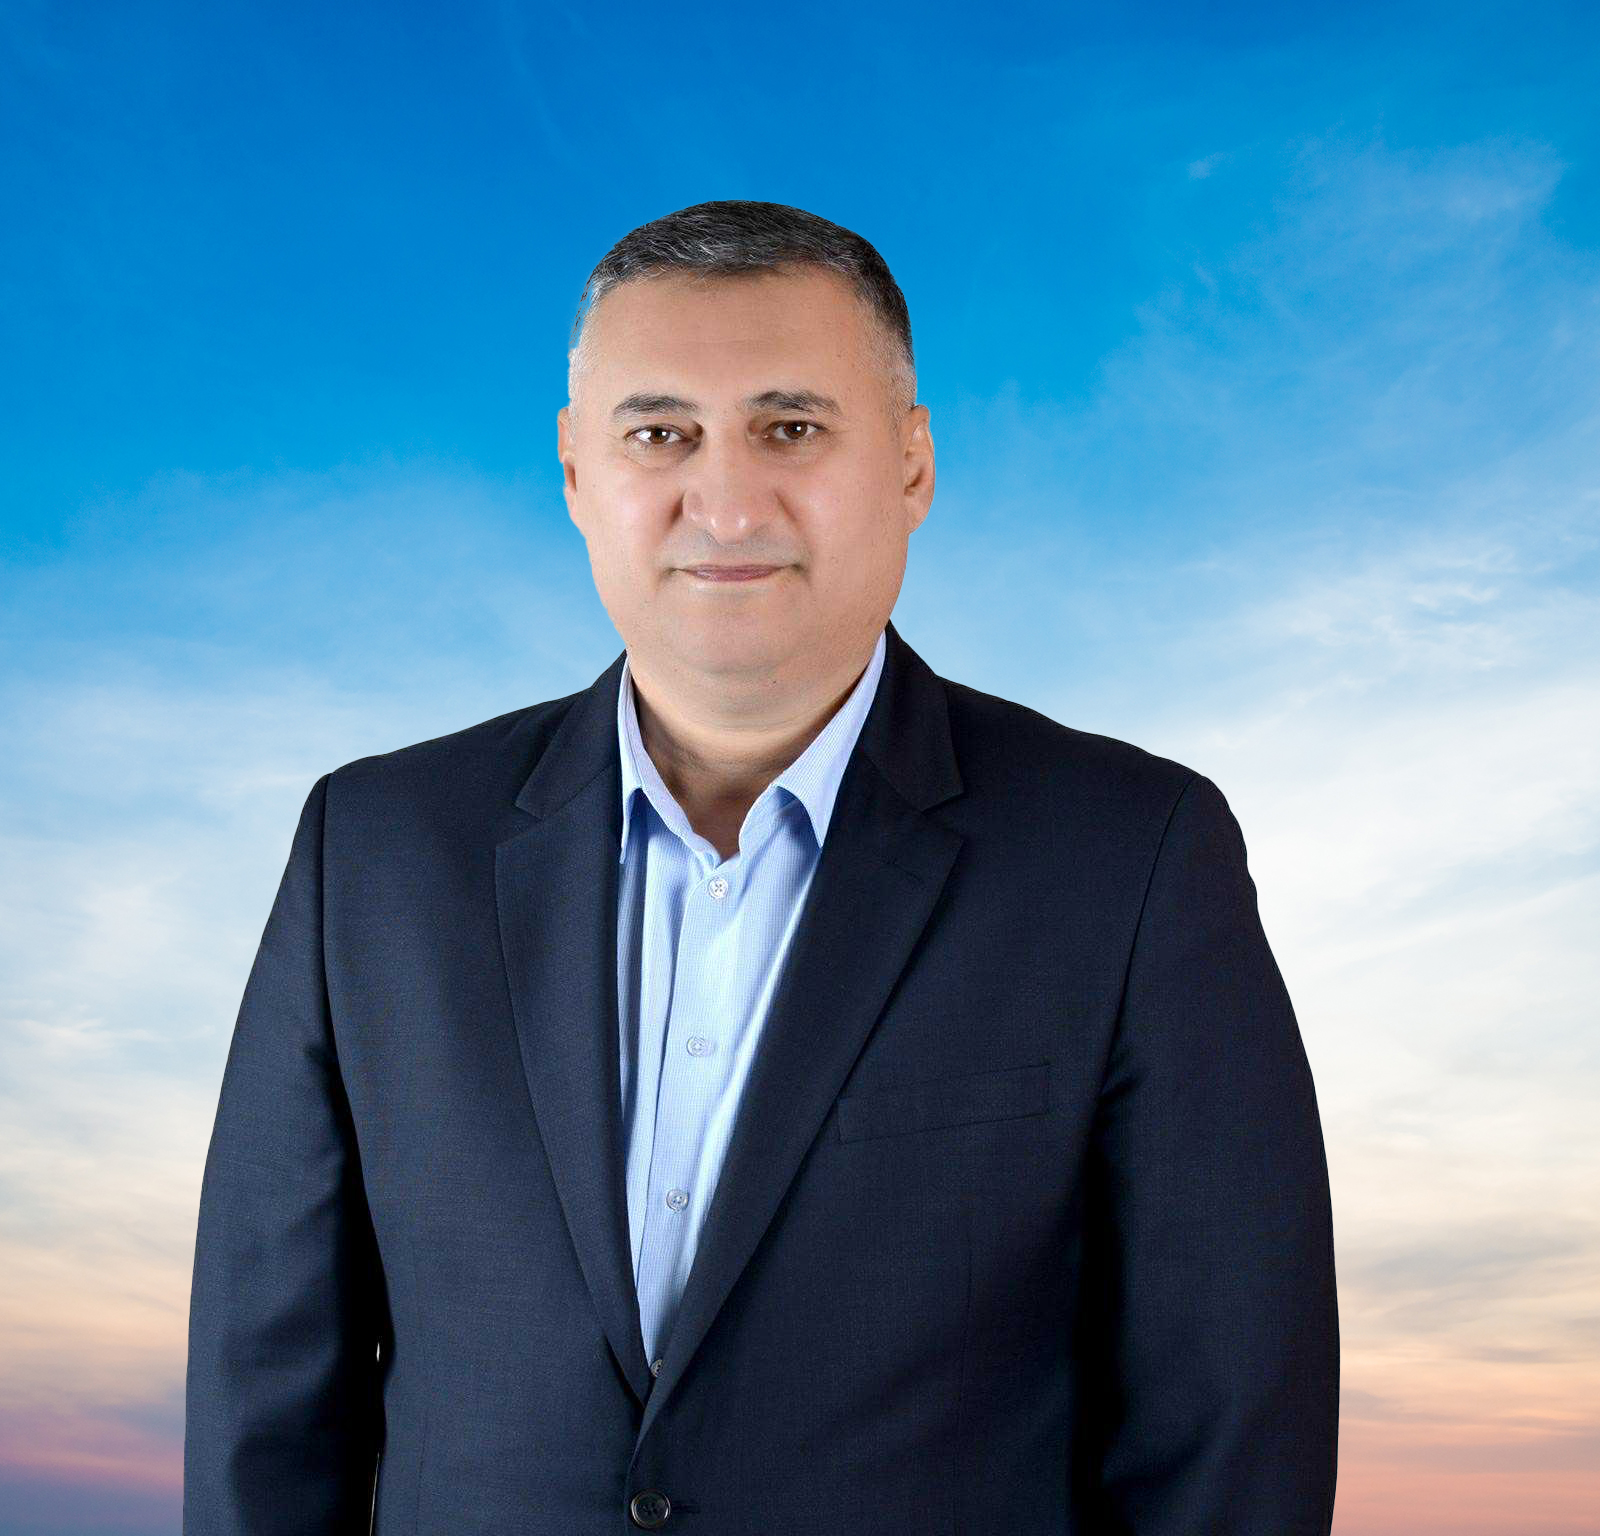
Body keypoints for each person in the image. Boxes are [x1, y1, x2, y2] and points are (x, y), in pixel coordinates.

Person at [183, 199, 1339, 1534]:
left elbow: (1228, 1437)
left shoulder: (1130, 857)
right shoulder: (375, 852)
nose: (725, 503)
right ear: (576, 473)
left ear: (913, 466)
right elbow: (267, 1406)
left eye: (790, 428)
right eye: (659, 434)